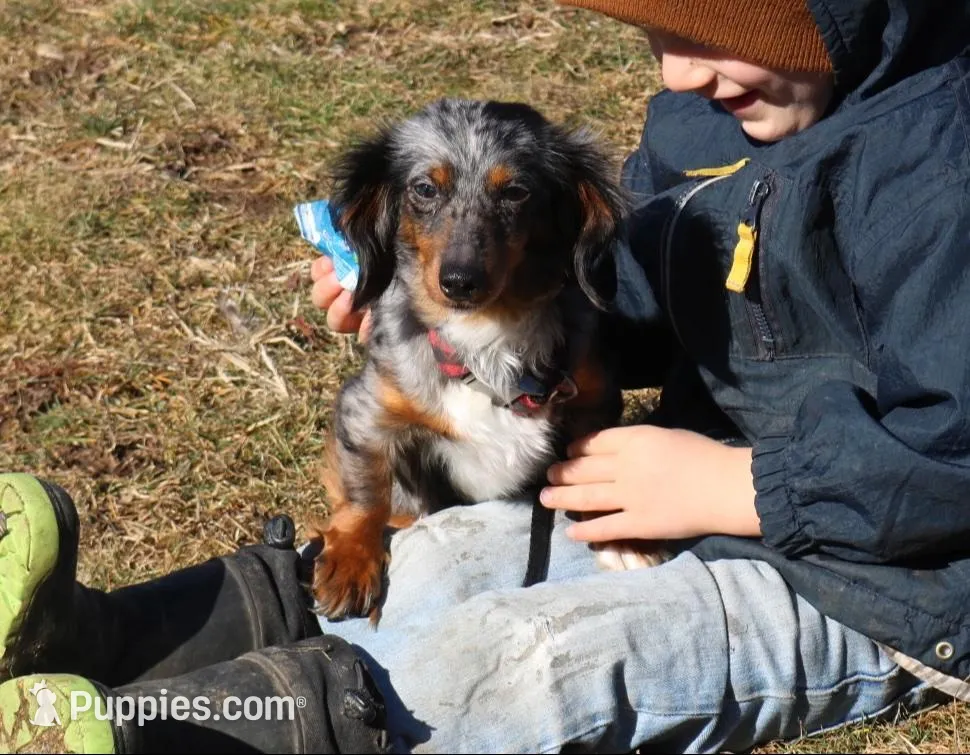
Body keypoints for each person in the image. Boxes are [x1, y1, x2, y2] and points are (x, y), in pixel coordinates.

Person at [3, 0, 970, 751]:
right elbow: (630, 294)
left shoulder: (940, 163)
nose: (678, 71)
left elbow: (955, 452)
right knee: (437, 562)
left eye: (712, 28)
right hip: (704, 505)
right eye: (657, 35)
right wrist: (453, 320)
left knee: (524, 659)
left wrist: (741, 482)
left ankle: (156, 738)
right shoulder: (713, 118)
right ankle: (99, 647)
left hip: (879, 590)